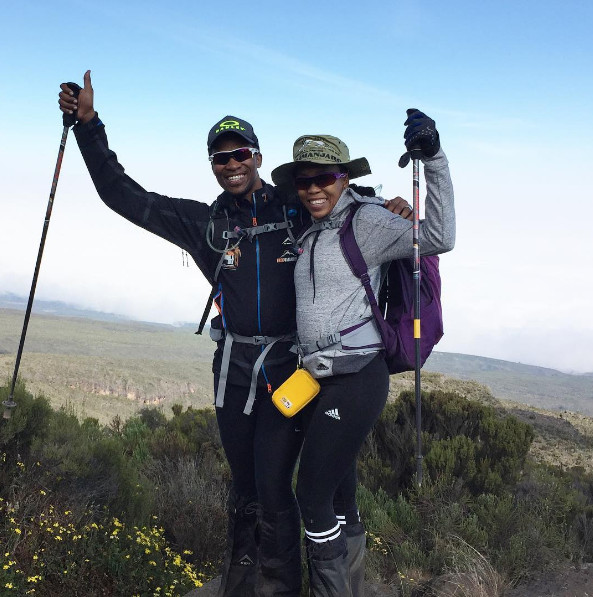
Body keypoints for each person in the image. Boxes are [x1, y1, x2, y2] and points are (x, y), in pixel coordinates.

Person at [59, 71, 311, 597]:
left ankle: (284, 587)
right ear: (213, 167)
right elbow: (123, 195)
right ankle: (240, 584)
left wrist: (393, 205)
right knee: (244, 486)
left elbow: (344, 201)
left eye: (240, 153)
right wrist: (88, 126)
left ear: (258, 157)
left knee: (272, 485)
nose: (231, 164)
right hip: (235, 371)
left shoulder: (297, 206)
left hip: (291, 366)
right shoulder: (207, 224)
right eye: (220, 158)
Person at [270, 111, 455, 596]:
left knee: (310, 493)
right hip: (316, 377)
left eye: (325, 178)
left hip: (356, 377)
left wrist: (433, 157)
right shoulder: (308, 228)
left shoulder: (367, 221)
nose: (314, 189)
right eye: (304, 179)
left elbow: (439, 237)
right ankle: (350, 586)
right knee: (339, 493)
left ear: (345, 177)